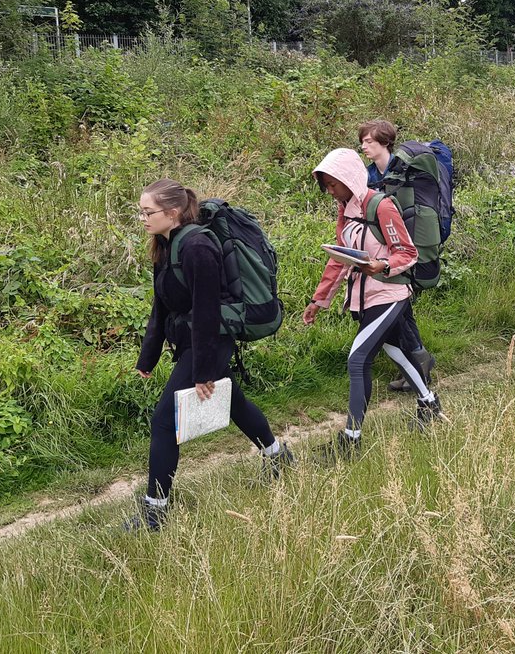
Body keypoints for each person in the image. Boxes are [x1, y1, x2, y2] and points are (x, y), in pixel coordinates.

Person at [127, 179, 290, 532]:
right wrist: (147, 359)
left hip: (210, 341)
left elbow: (206, 313)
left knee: (164, 422)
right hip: (192, 341)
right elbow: (161, 306)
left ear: (172, 213)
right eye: (140, 212)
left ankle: (155, 512)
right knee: (233, 402)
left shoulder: (198, 246)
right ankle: (278, 456)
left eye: (147, 212)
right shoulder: (164, 245)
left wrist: (203, 372)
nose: (142, 218)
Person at [304, 148, 442, 460]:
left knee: (357, 359)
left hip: (389, 294)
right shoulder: (345, 211)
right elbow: (339, 259)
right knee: (395, 351)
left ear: (349, 179)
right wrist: (319, 300)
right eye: (325, 185)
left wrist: (382, 265)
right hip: (364, 297)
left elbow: (407, 252)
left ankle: (350, 440)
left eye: (333, 184)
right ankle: (430, 404)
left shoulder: (381, 205)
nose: (329, 191)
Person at [358, 119, 435, 394]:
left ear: (385, 142)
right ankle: (418, 361)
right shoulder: (368, 175)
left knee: (400, 308)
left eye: (369, 141)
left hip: (404, 249)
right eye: (363, 141)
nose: (364, 145)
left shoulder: (402, 173)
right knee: (402, 310)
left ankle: (417, 363)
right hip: (380, 252)